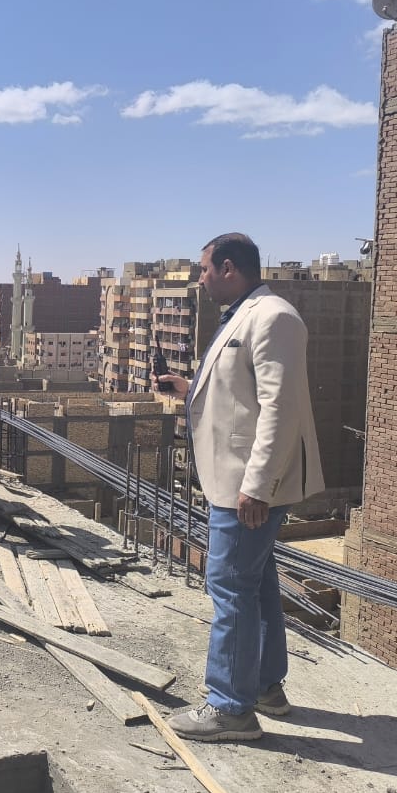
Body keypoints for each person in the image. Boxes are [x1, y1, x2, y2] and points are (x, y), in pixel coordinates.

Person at [154, 233, 324, 742]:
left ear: (229, 268)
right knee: (257, 584)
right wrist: (188, 389)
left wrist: (258, 486)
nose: (200, 279)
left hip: (245, 486)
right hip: (237, 480)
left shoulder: (273, 317)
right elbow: (242, 393)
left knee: (229, 587)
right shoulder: (243, 315)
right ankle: (265, 686)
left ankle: (230, 707)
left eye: (205, 269)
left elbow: (280, 409)